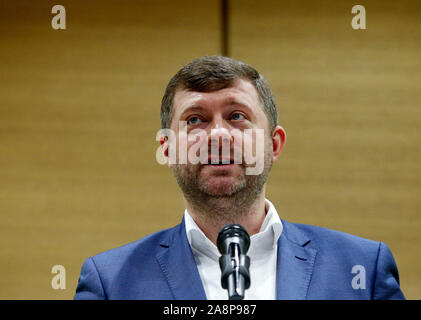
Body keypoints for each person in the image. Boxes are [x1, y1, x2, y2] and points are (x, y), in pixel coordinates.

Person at [74, 56, 405, 300]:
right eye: (195, 120)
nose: (218, 134)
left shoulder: (363, 268)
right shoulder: (111, 282)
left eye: (236, 116)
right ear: (167, 148)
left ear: (273, 144)